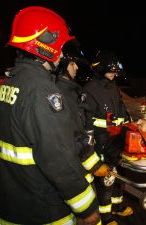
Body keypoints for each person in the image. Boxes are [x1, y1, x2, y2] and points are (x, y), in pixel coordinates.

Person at [0, 6, 101, 225]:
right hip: (40, 211)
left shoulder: (8, 84)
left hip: (5, 206)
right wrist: (87, 208)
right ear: (45, 46)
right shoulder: (43, 92)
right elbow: (58, 159)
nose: (61, 54)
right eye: (60, 47)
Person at [82, 50, 133, 225]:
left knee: (119, 174)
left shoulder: (112, 86)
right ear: (100, 69)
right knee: (107, 179)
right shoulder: (89, 90)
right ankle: (106, 216)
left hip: (117, 139)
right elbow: (87, 121)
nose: (113, 74)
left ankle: (117, 206)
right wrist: (91, 144)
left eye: (115, 72)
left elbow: (121, 109)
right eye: (111, 71)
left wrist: (130, 123)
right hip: (101, 141)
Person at [56, 41, 110, 185]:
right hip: (75, 169)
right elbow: (73, 136)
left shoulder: (72, 91)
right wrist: (94, 165)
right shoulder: (62, 95)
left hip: (82, 165)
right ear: (62, 66)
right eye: (73, 64)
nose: (77, 67)